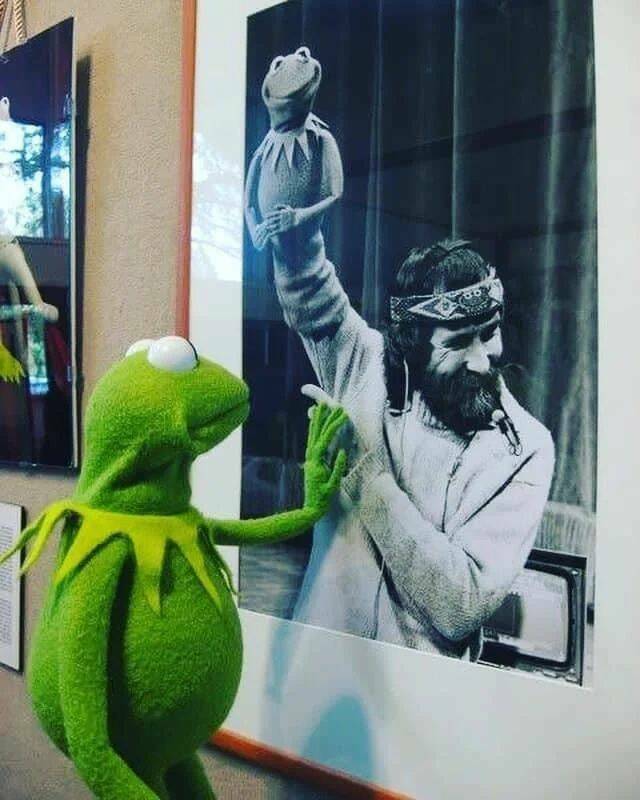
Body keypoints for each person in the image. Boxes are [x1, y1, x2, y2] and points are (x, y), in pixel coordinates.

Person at [265, 226, 554, 660]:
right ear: (413, 345)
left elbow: (461, 606)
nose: (481, 361)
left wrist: (362, 469)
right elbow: (306, 282)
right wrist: (295, 223)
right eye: (457, 342)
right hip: (315, 668)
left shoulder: (527, 448)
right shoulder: (362, 366)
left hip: (420, 694)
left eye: (489, 332)